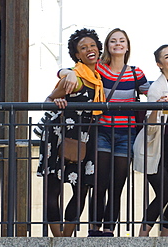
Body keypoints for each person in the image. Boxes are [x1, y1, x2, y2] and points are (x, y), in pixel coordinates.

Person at [58, 28, 150, 237]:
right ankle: (94, 229)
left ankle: (109, 230)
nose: (118, 44)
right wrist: (69, 72)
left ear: (127, 46)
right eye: (113, 41)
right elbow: (65, 71)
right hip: (102, 132)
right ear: (107, 46)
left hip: (126, 136)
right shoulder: (99, 68)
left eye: (122, 41)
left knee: (117, 186)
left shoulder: (136, 73)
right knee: (98, 183)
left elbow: (152, 91)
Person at [37, 28, 105, 237]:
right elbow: (50, 98)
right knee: (53, 188)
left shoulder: (96, 76)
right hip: (60, 135)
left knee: (81, 189)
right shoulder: (75, 76)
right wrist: (54, 98)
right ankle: (58, 239)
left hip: (84, 137)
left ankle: (65, 238)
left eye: (92, 45)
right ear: (77, 55)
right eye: (83, 48)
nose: (89, 50)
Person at [133, 44, 168, 237]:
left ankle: (165, 238)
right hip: (155, 147)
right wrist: (157, 108)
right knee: (165, 194)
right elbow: (150, 129)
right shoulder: (157, 88)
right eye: (167, 57)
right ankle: (143, 235)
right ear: (159, 64)